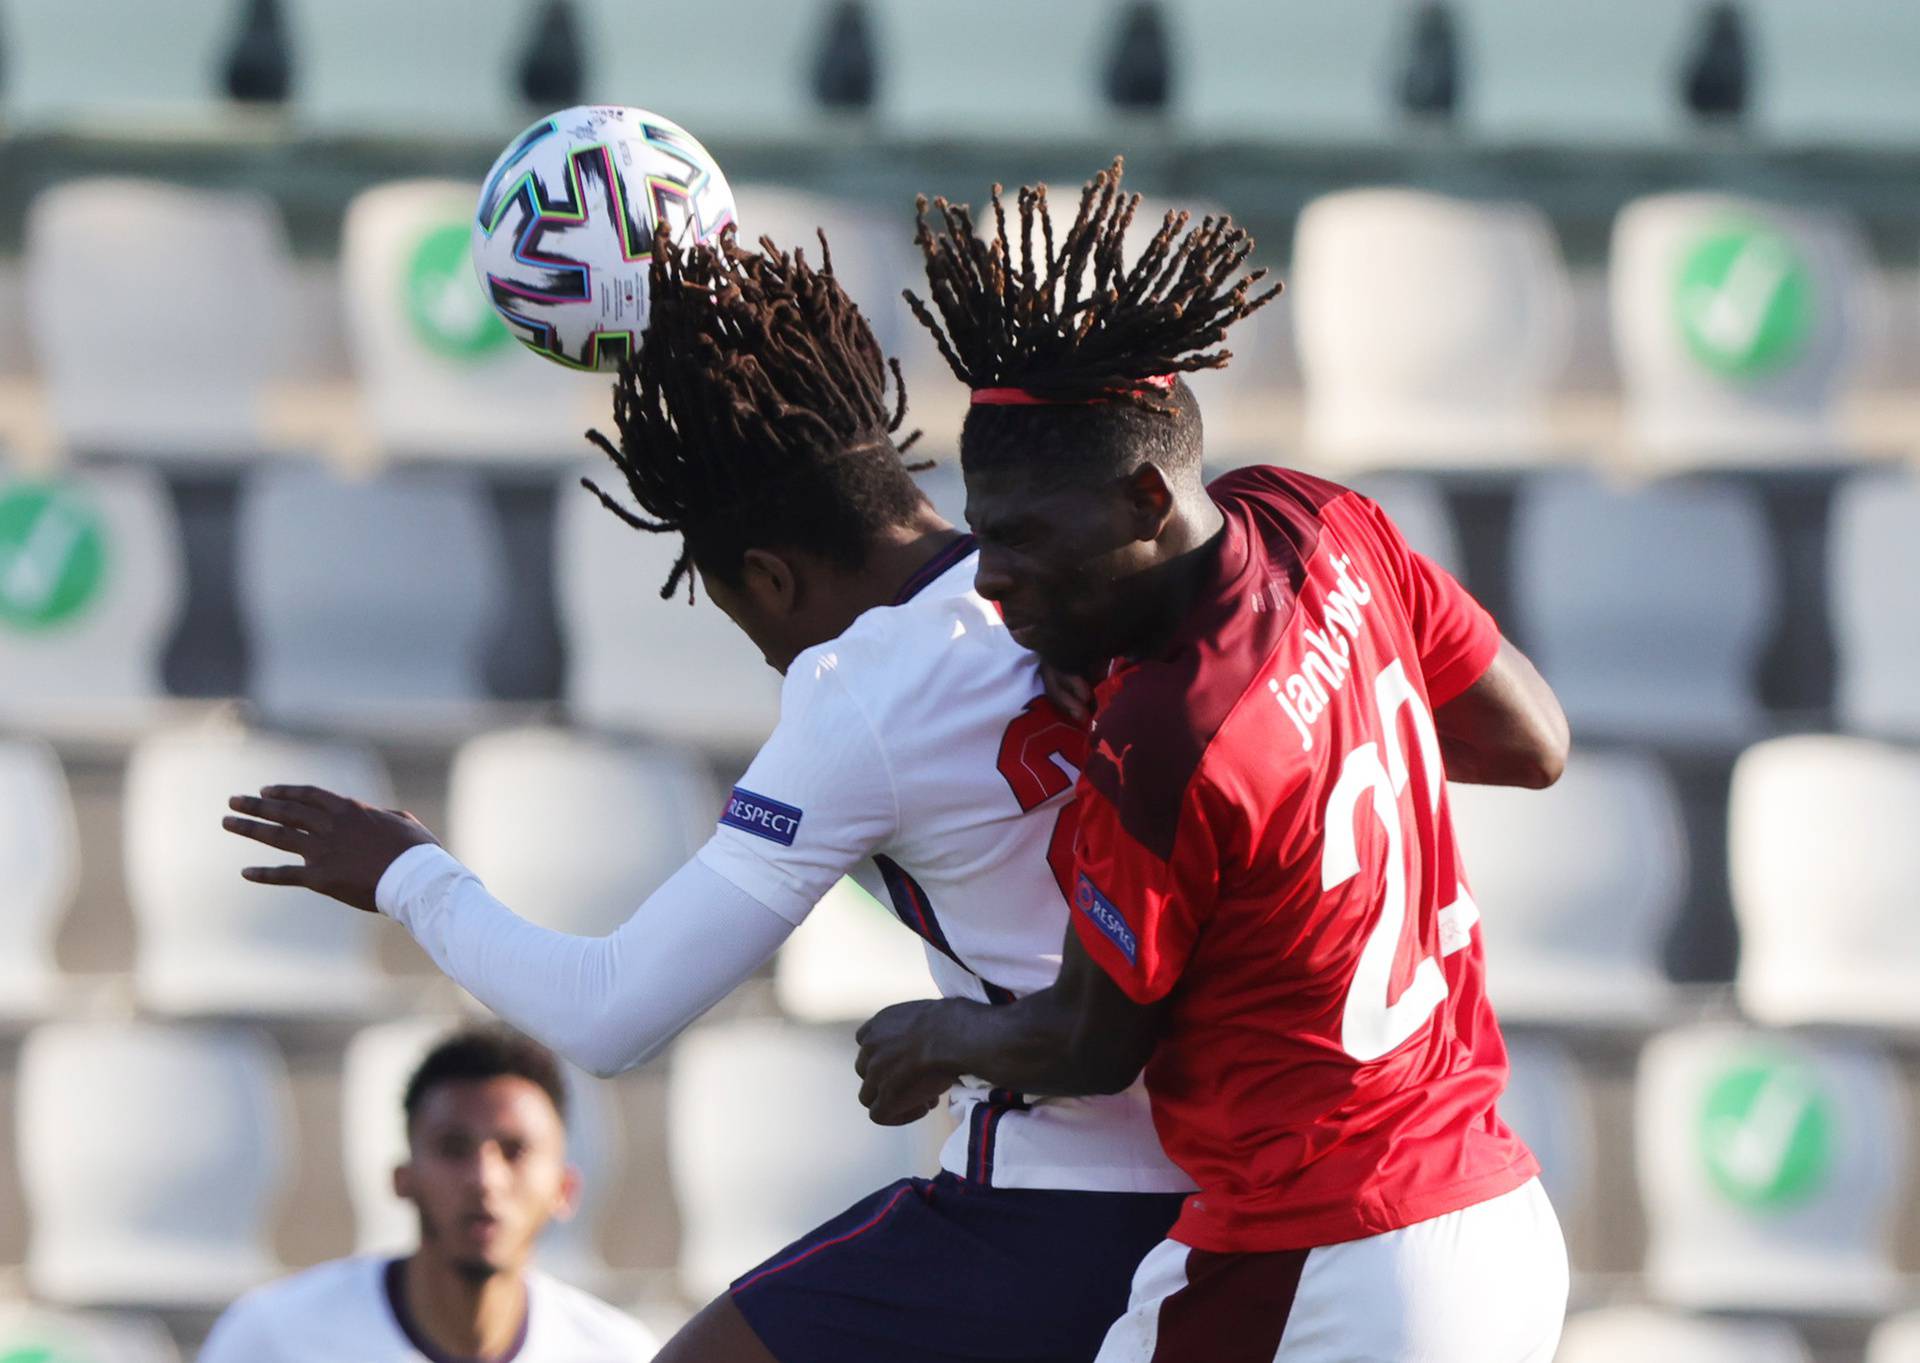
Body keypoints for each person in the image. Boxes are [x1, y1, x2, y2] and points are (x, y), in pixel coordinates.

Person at [221, 232, 1192, 1363]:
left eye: (746, 622)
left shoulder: (861, 694)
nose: (772, 661)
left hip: (1057, 1199)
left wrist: (407, 873)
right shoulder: (1074, 567)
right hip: (1240, 1162)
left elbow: (610, 1012)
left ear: (771, 577)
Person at [854, 160, 1574, 1363]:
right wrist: (1313, 728)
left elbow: (1089, 1042)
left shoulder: (1162, 737)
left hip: (1329, 1256)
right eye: (984, 537)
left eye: (1027, 538)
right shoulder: (1320, 518)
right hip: (1495, 1225)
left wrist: (934, 1040)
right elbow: (1532, 740)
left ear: (1146, 496)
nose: (990, 577)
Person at [199, 1026, 657, 1362]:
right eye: (453, 1148)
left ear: (564, 1188)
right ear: (404, 1179)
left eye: (514, 1151)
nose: (484, 1178)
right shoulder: (275, 1338)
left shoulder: (618, 1354)